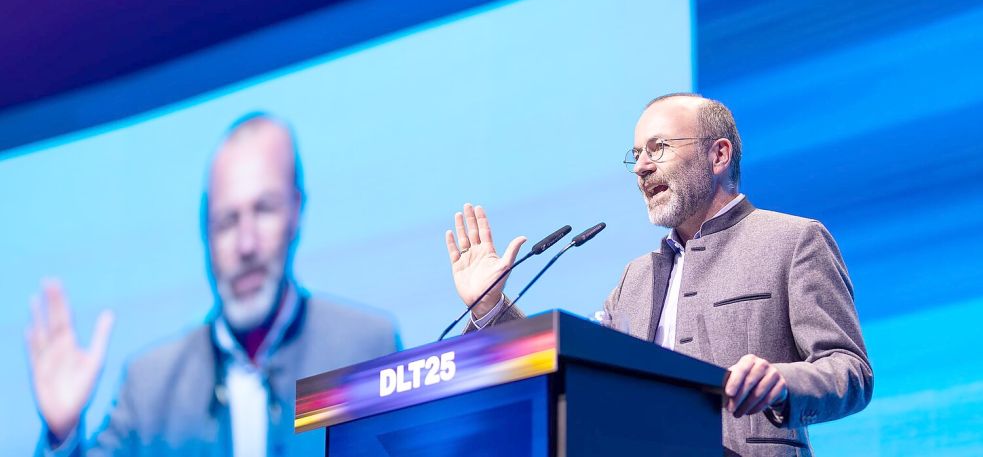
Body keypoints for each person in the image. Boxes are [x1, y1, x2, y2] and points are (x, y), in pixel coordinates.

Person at [444, 93, 873, 456]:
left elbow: (850, 371)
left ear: (718, 154)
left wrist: (782, 382)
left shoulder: (792, 240)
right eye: (636, 155)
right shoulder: (635, 278)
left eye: (658, 148)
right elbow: (568, 372)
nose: (642, 167)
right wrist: (491, 307)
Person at [26, 113, 399, 457]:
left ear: (296, 212)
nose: (246, 244)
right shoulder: (149, 388)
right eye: (226, 222)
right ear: (205, 233)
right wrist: (63, 436)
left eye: (264, 209)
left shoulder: (366, 348)